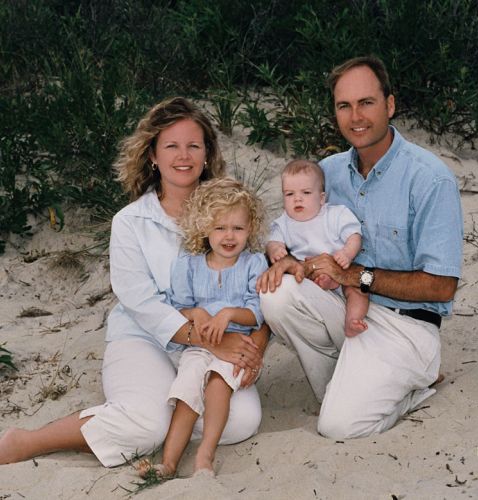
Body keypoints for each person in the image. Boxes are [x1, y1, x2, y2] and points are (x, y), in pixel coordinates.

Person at [0, 97, 270, 467]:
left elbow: (261, 282)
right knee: (147, 427)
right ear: (153, 156)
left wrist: (252, 347)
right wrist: (216, 342)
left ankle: (149, 419)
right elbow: (140, 302)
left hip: (215, 342)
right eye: (171, 146)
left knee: (241, 422)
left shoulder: (232, 211)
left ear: (207, 153)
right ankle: (28, 441)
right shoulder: (130, 222)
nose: (184, 156)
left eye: (194, 145)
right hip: (144, 337)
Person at [257, 56, 463, 439]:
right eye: (344, 105)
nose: (356, 116)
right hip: (346, 313)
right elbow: (288, 235)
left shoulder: (430, 179)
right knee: (277, 294)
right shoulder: (326, 174)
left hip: (407, 326)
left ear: (389, 105)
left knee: (338, 426)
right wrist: (284, 260)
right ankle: (341, 385)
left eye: (366, 102)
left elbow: (441, 287)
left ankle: (414, 384)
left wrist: (354, 276)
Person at [138, 177, 268, 479]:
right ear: (204, 228)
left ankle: (204, 456)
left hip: (235, 348)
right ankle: (168, 464)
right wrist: (196, 313)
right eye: (220, 227)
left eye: (238, 228)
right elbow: (177, 308)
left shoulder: (253, 263)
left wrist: (229, 313)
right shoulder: (189, 264)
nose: (229, 236)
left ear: (251, 229)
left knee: (217, 386)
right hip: (199, 346)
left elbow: (259, 312)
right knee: (186, 394)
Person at [266, 159, 368, 337]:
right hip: (308, 277)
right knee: (291, 284)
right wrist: (276, 250)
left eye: (305, 192)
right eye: (289, 194)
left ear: (322, 198)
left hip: (341, 271)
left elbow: (354, 236)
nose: (297, 199)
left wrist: (347, 253)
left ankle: (353, 320)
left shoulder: (335, 214)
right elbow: (272, 241)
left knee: (359, 289)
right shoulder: (284, 223)